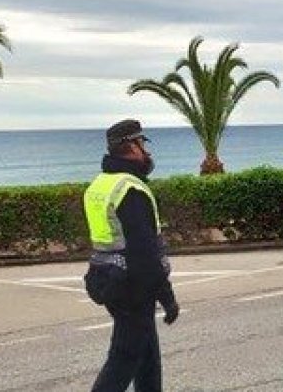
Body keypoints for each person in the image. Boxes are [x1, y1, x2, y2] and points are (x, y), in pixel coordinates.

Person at [83, 119, 179, 392]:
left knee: (147, 357)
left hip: (108, 277)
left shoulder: (100, 185)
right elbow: (145, 253)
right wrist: (167, 297)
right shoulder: (131, 189)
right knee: (122, 361)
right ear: (130, 146)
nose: (145, 152)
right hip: (133, 286)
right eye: (142, 144)